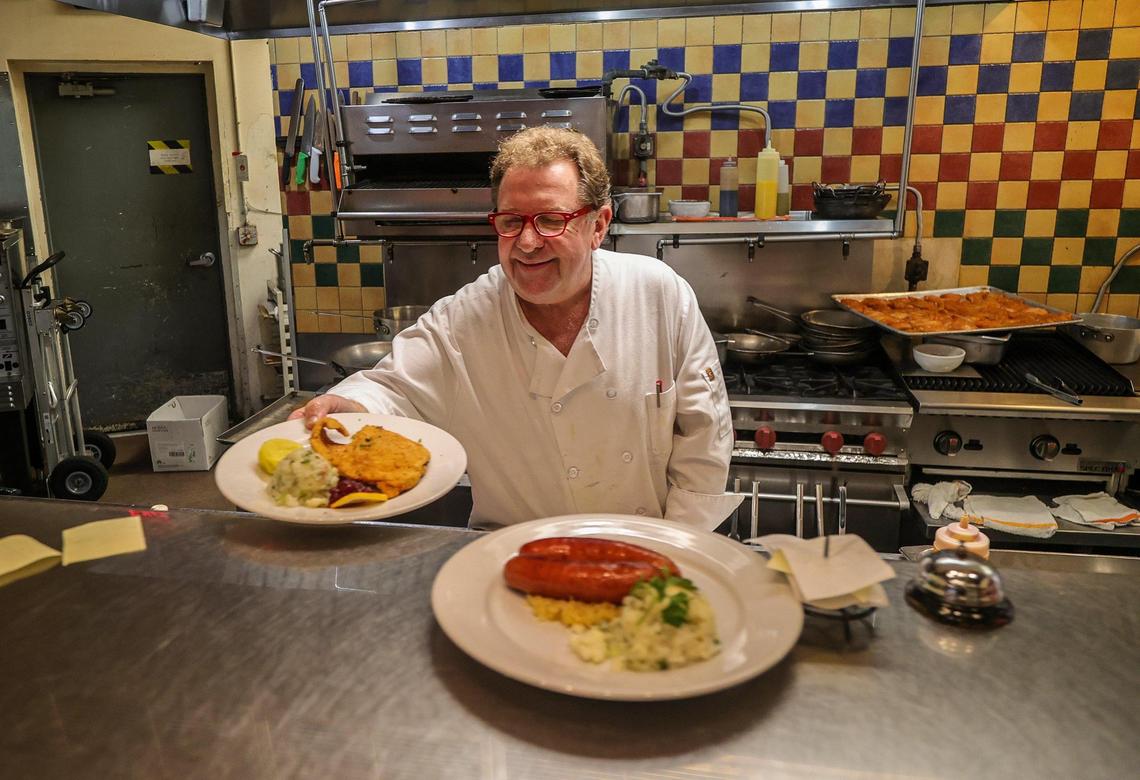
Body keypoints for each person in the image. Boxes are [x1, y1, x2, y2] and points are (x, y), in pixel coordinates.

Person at [290, 126, 741, 530]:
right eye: (511, 222)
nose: (526, 243)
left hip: (645, 550)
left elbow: (704, 438)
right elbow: (394, 389)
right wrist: (349, 405)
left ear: (597, 225)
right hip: (506, 561)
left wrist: (677, 547)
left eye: (550, 220)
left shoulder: (658, 294)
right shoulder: (465, 318)